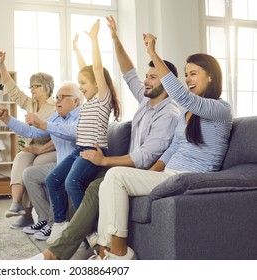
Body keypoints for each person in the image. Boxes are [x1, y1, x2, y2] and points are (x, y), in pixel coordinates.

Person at [27, 15, 180, 260]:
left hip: (147, 171)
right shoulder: (146, 99)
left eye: (153, 77)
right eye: (147, 76)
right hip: (121, 165)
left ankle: (61, 252)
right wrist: (115, 38)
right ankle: (82, 240)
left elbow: (146, 157)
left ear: (169, 83)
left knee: (90, 184)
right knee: (80, 184)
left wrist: (105, 162)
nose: (146, 81)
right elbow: (129, 72)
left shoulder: (169, 114)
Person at [88, 34, 233, 260]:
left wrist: (153, 53)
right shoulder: (188, 113)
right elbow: (172, 148)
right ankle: (105, 250)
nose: (188, 79)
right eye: (186, 75)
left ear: (212, 77)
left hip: (190, 178)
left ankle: (120, 254)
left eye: (193, 73)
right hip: (169, 176)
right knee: (111, 179)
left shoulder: (220, 109)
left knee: (115, 175)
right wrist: (147, 175)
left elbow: (184, 97)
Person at [44, 19, 121, 244]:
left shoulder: (102, 99)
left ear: (98, 84)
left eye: (84, 83)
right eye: (79, 83)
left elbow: (96, 68)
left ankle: (88, 232)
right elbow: (86, 69)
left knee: (71, 183)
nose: (81, 86)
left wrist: (94, 40)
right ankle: (60, 223)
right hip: (80, 150)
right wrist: (77, 49)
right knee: (52, 180)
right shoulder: (87, 102)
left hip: (92, 151)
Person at [0, 82, 84, 232]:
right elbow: (31, 132)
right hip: (59, 164)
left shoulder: (83, 114)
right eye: (56, 97)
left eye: (62, 97)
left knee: (50, 178)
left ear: (76, 101)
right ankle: (43, 219)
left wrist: (43, 124)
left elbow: (72, 132)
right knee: (29, 174)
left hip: (75, 167)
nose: (57, 101)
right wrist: (7, 119)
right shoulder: (56, 117)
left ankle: (53, 223)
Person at [0, 50, 57, 228]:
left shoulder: (55, 107)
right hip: (32, 147)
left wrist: (39, 150)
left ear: (46, 88)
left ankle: (35, 214)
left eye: (35, 85)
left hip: (51, 148)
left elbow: (58, 137)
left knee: (34, 168)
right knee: (21, 159)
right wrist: (1, 64)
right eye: (30, 85)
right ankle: (17, 206)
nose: (31, 89)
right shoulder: (29, 103)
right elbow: (11, 88)